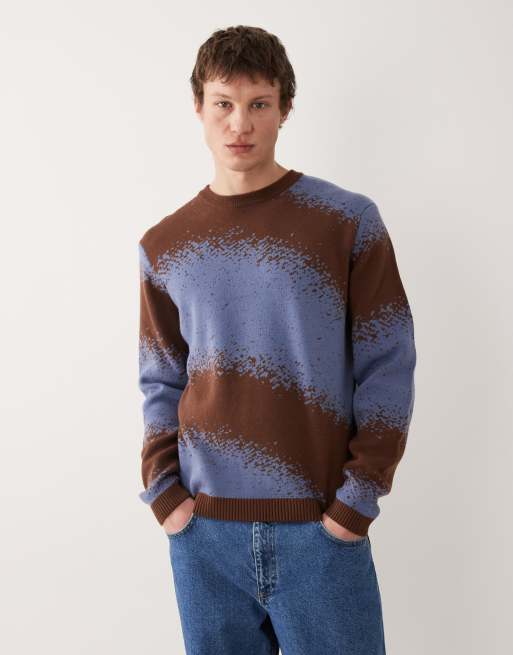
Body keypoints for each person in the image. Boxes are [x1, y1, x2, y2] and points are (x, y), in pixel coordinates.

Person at [137, 24, 416, 655]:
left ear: (285, 108)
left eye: (259, 103)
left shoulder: (346, 222)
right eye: (224, 103)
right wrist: (165, 494)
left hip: (321, 531)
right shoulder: (164, 245)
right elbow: (160, 376)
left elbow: (389, 362)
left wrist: (355, 502)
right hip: (205, 537)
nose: (240, 124)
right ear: (198, 108)